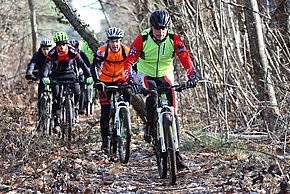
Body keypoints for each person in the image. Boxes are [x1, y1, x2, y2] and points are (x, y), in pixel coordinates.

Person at [123, 10, 198, 169]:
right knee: (152, 96)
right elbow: (129, 61)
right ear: (151, 27)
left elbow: (185, 57)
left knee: (173, 110)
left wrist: (191, 75)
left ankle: (176, 152)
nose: (160, 32)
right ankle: (150, 125)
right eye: (157, 28)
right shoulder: (143, 38)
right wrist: (129, 79)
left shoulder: (173, 38)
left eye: (163, 28)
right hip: (146, 74)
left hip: (165, 74)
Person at [41, 32, 93, 131]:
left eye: (63, 44)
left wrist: (88, 76)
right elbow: (47, 65)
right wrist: (44, 76)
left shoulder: (72, 50)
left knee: (77, 91)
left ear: (66, 43)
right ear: (56, 45)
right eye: (59, 44)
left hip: (70, 74)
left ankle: (75, 108)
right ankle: (56, 121)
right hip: (57, 75)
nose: (62, 47)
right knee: (56, 97)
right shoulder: (52, 52)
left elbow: (81, 63)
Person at [91, 27, 130, 152]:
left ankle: (124, 118)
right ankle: (105, 139)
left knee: (127, 94)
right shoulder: (102, 51)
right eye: (112, 41)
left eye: (117, 41)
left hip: (120, 78)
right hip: (104, 80)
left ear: (121, 41)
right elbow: (94, 67)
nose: (114, 44)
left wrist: (133, 82)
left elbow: (133, 67)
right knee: (106, 110)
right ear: (108, 41)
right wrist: (97, 82)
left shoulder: (126, 51)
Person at [25, 38, 53, 119]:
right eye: (44, 49)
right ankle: (41, 121)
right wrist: (29, 73)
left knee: (56, 99)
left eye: (48, 49)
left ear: (51, 48)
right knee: (40, 100)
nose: (46, 51)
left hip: (53, 78)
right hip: (42, 78)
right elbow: (32, 64)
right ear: (41, 48)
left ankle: (56, 119)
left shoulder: (54, 55)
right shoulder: (38, 55)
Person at [69, 39, 91, 114]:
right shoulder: (68, 53)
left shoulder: (81, 53)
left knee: (81, 90)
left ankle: (81, 107)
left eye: (75, 47)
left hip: (80, 74)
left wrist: (88, 72)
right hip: (71, 74)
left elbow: (87, 64)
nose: (74, 49)